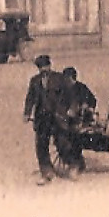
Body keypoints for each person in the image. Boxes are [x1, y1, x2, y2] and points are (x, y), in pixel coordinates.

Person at [22, 55, 63, 184]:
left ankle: (74, 163)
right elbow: (30, 98)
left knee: (63, 142)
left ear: (50, 65)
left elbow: (66, 96)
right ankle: (46, 172)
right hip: (41, 118)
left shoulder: (59, 78)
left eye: (45, 66)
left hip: (57, 117)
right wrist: (27, 113)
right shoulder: (34, 81)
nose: (43, 69)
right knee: (41, 145)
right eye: (40, 67)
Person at [55, 67, 96, 178]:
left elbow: (92, 101)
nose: (65, 81)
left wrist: (86, 106)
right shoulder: (63, 90)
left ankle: (76, 163)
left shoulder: (82, 88)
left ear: (71, 78)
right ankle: (73, 161)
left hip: (82, 119)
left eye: (66, 79)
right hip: (67, 119)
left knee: (74, 137)